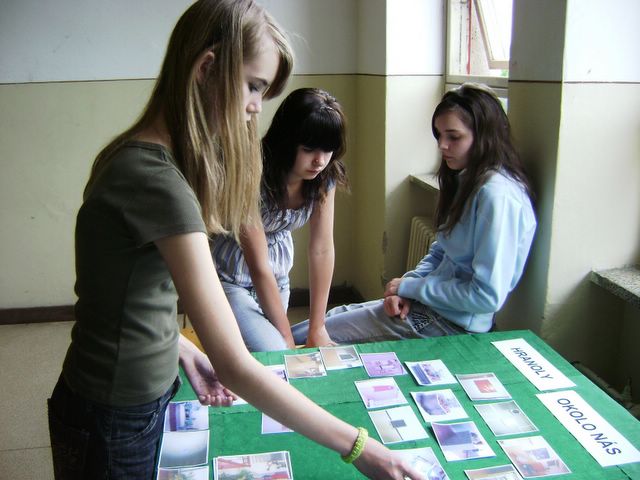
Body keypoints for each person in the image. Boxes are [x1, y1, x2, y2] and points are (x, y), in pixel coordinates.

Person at [46, 1, 423, 479]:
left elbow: (125, 295)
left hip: (132, 395)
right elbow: (236, 366)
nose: (255, 107)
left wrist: (181, 349)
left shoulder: (143, 158)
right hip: (113, 413)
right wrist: (362, 449)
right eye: (254, 86)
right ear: (206, 69)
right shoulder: (157, 180)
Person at [292, 83, 536, 345]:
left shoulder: (497, 196)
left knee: (310, 336)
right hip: (430, 307)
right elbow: (441, 251)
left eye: (454, 137)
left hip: (450, 324)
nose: (442, 145)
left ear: (485, 136)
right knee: (323, 321)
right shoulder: (467, 180)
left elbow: (486, 296)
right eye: (439, 135)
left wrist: (411, 288)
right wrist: (406, 290)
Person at [211, 87, 348, 351]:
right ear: (287, 140)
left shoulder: (325, 177)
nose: (320, 161)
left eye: (328, 150)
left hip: (277, 280)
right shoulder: (251, 172)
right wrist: (286, 338)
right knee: (276, 350)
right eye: (309, 149)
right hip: (229, 280)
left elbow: (321, 249)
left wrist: (317, 327)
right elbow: (258, 264)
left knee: (295, 344)